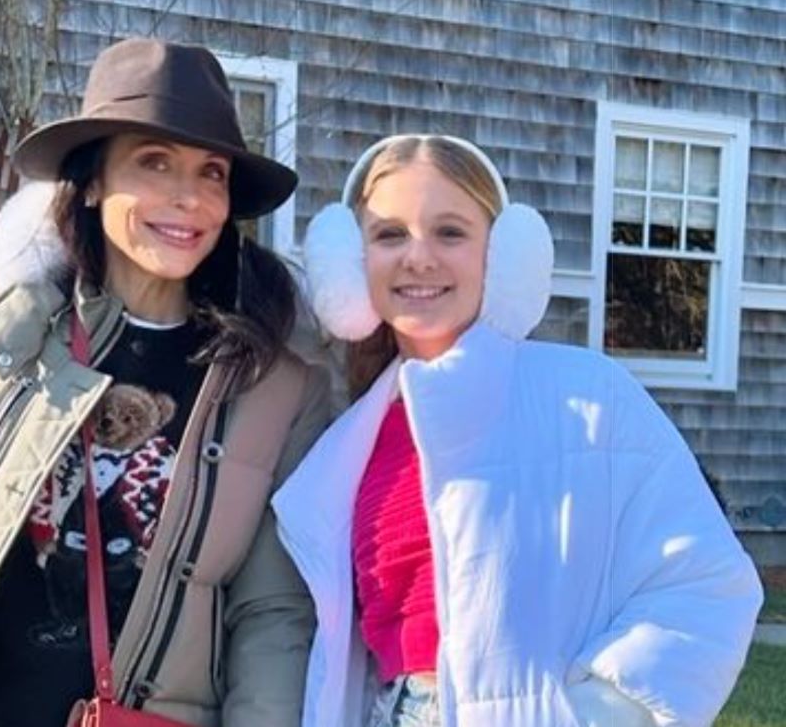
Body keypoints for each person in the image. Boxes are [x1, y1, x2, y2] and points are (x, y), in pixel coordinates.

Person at [0, 38, 330, 727]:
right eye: (154, 162)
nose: (189, 197)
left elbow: (272, 615)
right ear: (91, 181)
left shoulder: (274, 383)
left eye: (212, 173)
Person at [273, 134, 763, 727]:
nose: (418, 257)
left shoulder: (588, 397)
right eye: (390, 234)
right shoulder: (349, 439)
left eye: (450, 232)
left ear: (503, 255)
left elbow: (708, 585)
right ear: (350, 263)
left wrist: (602, 714)